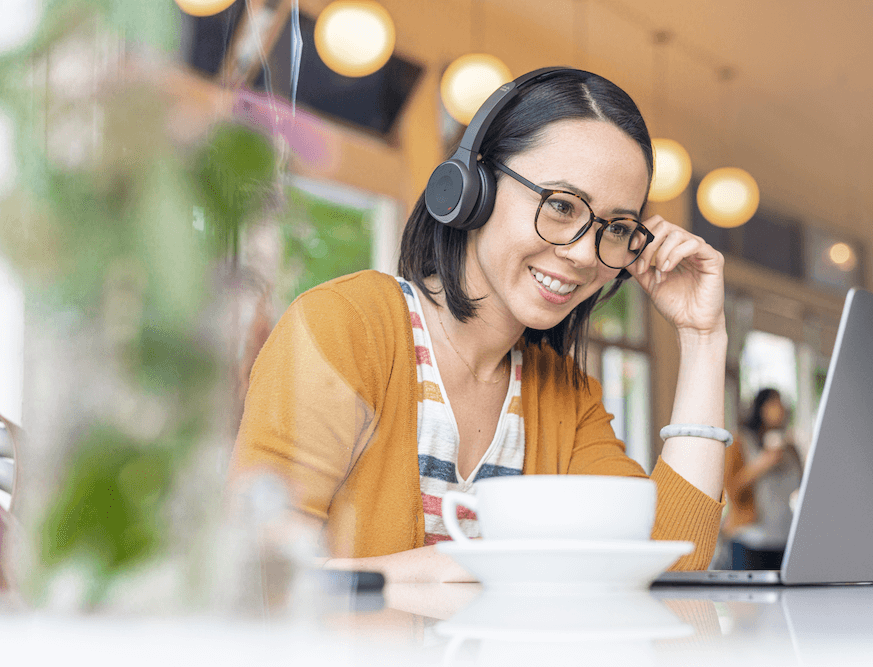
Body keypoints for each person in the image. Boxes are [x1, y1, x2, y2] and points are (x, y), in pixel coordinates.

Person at [231, 68, 729, 582]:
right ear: (473, 187)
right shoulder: (346, 327)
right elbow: (256, 571)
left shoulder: (566, 398)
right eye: (560, 205)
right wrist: (436, 571)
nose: (583, 254)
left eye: (616, 228)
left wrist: (702, 338)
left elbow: (672, 563)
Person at [723, 388, 802, 570]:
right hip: (749, 539)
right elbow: (731, 488)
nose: (779, 408)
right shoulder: (740, 441)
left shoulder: (791, 449)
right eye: (773, 403)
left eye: (781, 402)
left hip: (785, 538)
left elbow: (802, 488)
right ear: (759, 408)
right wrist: (761, 464)